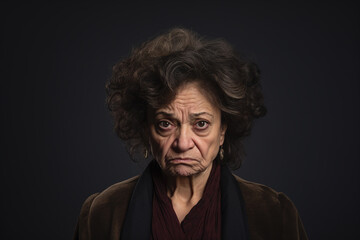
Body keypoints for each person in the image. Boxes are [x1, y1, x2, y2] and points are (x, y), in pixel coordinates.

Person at [73, 28, 308, 240]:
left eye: (201, 124)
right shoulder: (102, 213)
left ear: (223, 130)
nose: (183, 143)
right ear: (146, 129)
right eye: (166, 124)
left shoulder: (275, 213)